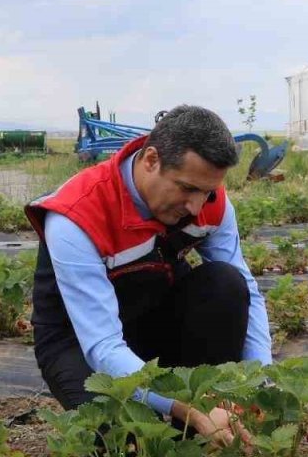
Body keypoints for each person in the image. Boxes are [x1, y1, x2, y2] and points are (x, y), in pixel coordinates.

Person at [25, 105, 272, 447]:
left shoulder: (211, 203)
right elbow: (103, 345)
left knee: (226, 284)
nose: (197, 207)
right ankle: (183, 421)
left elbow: (247, 289)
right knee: (121, 435)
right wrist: (191, 409)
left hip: (152, 317)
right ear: (151, 160)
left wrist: (258, 382)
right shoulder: (76, 216)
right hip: (79, 342)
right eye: (187, 188)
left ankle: (208, 423)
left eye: (208, 192)